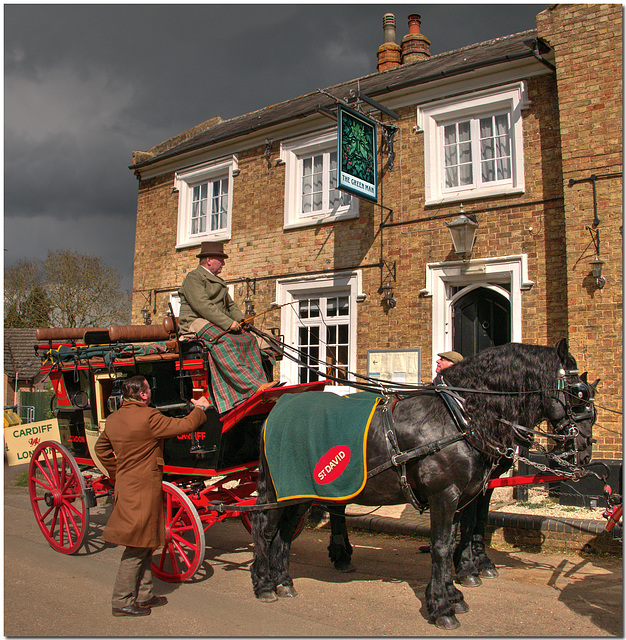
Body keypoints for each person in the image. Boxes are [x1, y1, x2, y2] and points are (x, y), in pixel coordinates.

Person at [94, 375, 211, 617]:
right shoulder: (149, 417)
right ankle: (121, 601)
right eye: (149, 389)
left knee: (146, 542)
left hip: (128, 486)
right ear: (143, 395)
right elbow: (183, 426)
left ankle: (144, 595)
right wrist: (199, 409)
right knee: (136, 547)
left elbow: (101, 450)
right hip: (144, 488)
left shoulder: (114, 419)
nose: (150, 392)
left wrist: (117, 472)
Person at [178, 241, 275, 414]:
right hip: (195, 322)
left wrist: (241, 320)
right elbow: (202, 305)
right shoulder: (194, 278)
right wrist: (228, 323)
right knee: (225, 341)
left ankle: (260, 382)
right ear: (208, 260)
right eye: (220, 260)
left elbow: (231, 305)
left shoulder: (219, 282)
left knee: (248, 338)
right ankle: (253, 387)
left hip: (214, 321)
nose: (223, 264)